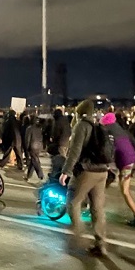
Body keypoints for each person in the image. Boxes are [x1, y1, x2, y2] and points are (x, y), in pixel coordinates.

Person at [59, 100, 110, 257]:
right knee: (97, 208)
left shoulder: (81, 126)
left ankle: (78, 236)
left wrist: (66, 171)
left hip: (88, 171)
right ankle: (100, 244)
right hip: (103, 170)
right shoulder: (97, 125)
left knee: (73, 203)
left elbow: (75, 150)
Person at [102, 112, 135, 229]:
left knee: (125, 191)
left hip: (125, 163)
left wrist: (107, 163)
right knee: (121, 189)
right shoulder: (124, 132)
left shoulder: (108, 132)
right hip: (132, 162)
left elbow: (108, 150)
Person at [24, 116, 45, 181]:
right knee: (33, 161)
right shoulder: (39, 128)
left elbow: (27, 139)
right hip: (39, 146)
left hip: (32, 146)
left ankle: (40, 175)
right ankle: (28, 176)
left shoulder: (29, 128)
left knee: (35, 161)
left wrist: (26, 148)